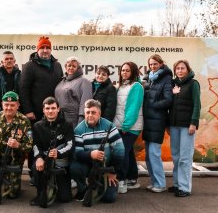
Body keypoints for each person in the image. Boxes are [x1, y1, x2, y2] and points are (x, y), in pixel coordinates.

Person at [0, 91, 32, 202]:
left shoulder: (24, 121)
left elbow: (29, 146)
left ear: (18, 105)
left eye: (12, 105)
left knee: (12, 194)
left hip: (13, 160)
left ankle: (9, 183)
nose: (9, 108)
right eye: (6, 105)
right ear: (2, 104)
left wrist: (18, 145)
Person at [70, 99, 124, 203]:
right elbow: (76, 153)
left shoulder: (109, 126)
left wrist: (112, 171)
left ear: (99, 113)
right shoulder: (78, 130)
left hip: (105, 167)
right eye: (87, 112)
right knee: (74, 167)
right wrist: (91, 154)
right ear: (84, 113)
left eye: (93, 112)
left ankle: (100, 184)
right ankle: (82, 188)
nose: (90, 115)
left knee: (109, 198)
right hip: (87, 164)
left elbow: (120, 151)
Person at [30, 97, 74, 207]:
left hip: (60, 161)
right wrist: (39, 157)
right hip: (44, 159)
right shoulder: (37, 126)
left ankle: (57, 187)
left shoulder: (67, 125)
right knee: (36, 167)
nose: (50, 111)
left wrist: (58, 153)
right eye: (48, 108)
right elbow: (35, 145)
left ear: (58, 109)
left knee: (65, 198)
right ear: (43, 110)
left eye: (53, 108)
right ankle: (41, 192)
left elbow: (70, 145)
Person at [168, 60, 201, 197]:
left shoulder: (193, 84)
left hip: (187, 126)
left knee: (185, 158)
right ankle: (177, 184)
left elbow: (196, 105)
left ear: (188, 69)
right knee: (176, 157)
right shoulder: (174, 84)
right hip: (174, 125)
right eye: (177, 68)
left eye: (182, 68)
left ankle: (185, 188)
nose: (180, 71)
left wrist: (193, 123)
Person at [142, 54, 173, 193]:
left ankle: (160, 183)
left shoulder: (166, 79)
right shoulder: (148, 78)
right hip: (147, 120)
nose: (153, 66)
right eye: (150, 64)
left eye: (155, 64)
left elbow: (168, 100)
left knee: (154, 153)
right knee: (148, 154)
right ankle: (154, 181)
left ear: (161, 64)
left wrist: (153, 105)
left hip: (158, 120)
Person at [113, 62, 144, 194]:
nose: (124, 73)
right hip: (120, 125)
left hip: (130, 127)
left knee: (122, 152)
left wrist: (126, 125)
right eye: (123, 70)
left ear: (133, 72)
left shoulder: (136, 86)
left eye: (127, 71)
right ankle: (132, 179)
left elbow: (133, 107)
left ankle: (121, 180)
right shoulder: (121, 86)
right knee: (129, 152)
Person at [19, 36, 63, 124]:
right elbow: (23, 90)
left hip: (54, 111)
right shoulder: (29, 66)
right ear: (37, 49)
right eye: (42, 48)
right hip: (36, 113)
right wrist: (28, 110)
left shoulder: (57, 65)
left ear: (51, 50)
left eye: (48, 48)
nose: (45, 50)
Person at [55, 56, 92, 128]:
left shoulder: (84, 81)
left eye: (74, 66)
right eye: (69, 66)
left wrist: (81, 121)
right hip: (60, 119)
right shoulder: (62, 81)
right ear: (66, 67)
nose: (71, 68)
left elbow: (86, 103)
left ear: (78, 68)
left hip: (74, 120)